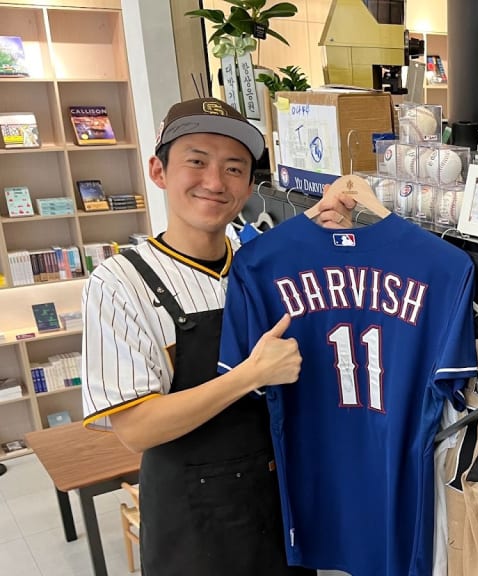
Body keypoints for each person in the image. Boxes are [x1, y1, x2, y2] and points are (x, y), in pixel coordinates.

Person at [81, 97, 353, 575]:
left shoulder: (258, 263)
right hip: (192, 523)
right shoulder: (120, 283)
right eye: (196, 161)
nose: (214, 182)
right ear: (158, 170)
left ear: (249, 186)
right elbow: (136, 429)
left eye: (233, 168)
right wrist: (249, 376)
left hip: (279, 506)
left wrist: (324, 222)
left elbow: (282, 250)